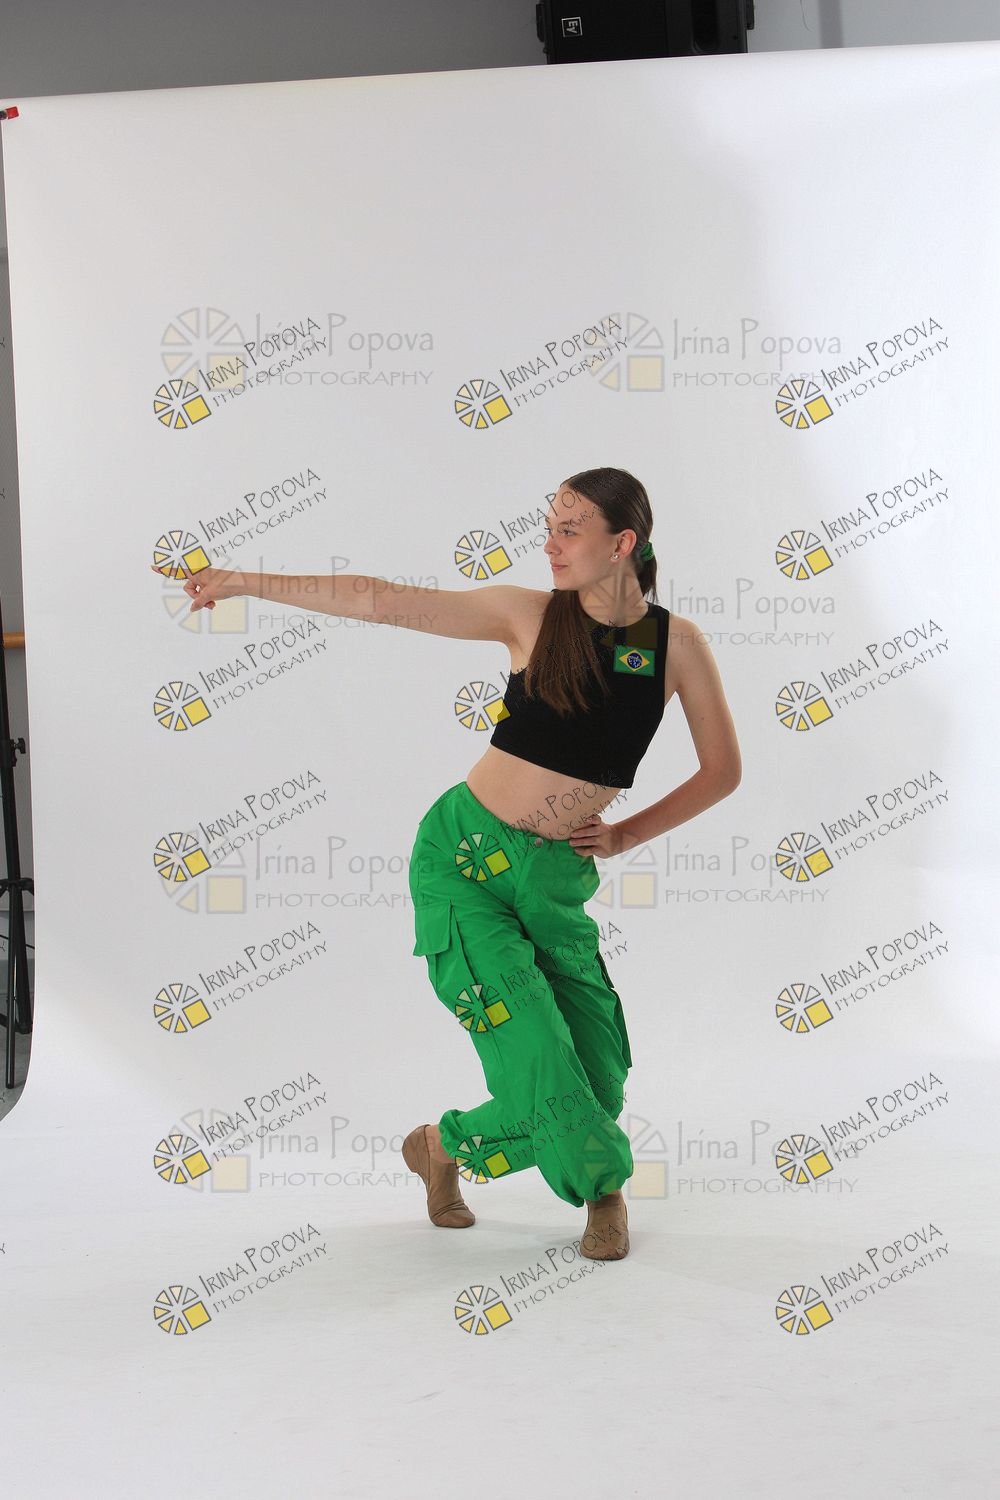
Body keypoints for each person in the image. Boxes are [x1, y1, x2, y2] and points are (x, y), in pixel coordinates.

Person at [153, 466, 741, 1262]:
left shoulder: (674, 646)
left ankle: (441, 1146)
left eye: (569, 529)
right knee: (542, 1060)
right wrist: (243, 581)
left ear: (621, 544)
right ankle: (604, 1192)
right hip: (463, 866)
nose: (550, 543)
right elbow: (381, 599)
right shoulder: (530, 615)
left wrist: (625, 837)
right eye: (550, 525)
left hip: (554, 880)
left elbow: (721, 771)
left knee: (600, 1080)